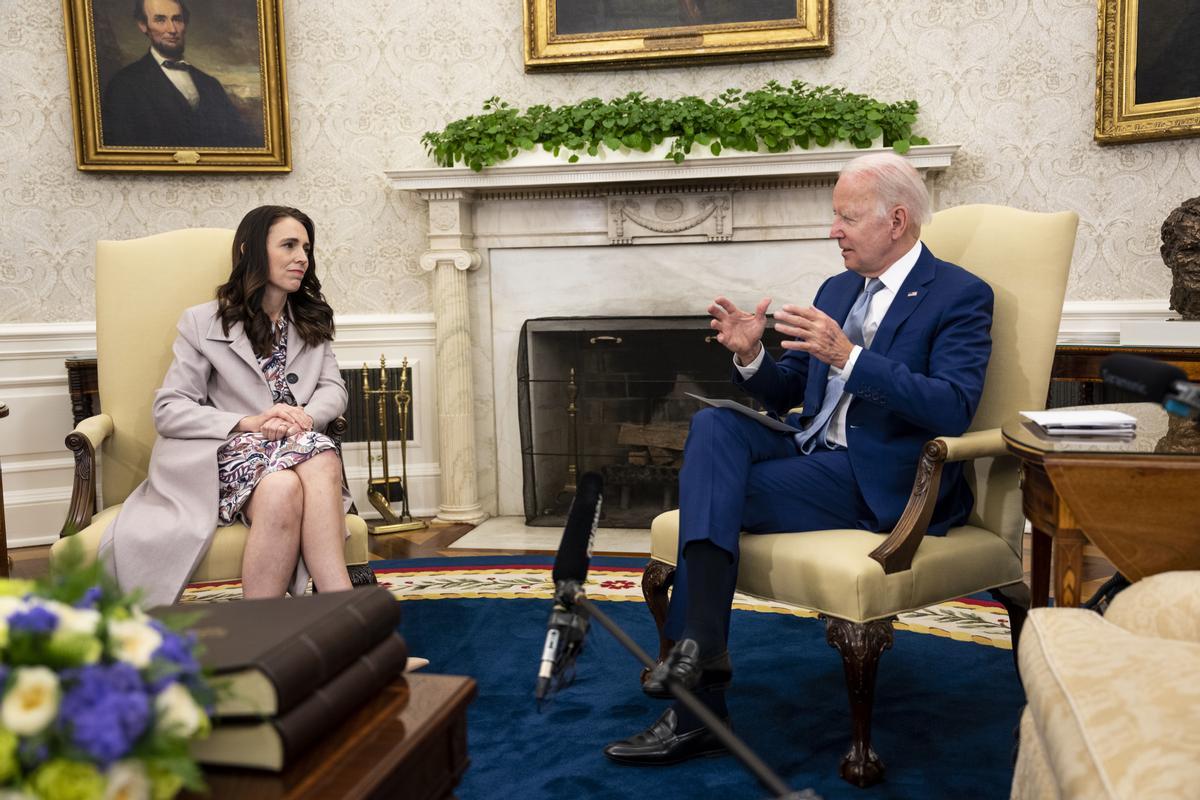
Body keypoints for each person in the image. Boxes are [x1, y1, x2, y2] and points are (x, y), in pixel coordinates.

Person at [603, 152, 995, 765]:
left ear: (896, 220)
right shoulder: (837, 289)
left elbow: (953, 406)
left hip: (880, 477)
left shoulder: (960, 295)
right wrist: (752, 357)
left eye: (846, 217)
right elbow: (792, 390)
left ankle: (696, 696)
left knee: (710, 494)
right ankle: (702, 652)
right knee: (712, 426)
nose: (832, 230)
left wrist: (851, 359)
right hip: (810, 447)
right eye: (833, 216)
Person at [98, 206, 354, 606]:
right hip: (224, 455)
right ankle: (348, 618)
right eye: (288, 245)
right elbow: (169, 408)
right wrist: (249, 422)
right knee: (321, 453)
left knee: (285, 485)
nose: (302, 257)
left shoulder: (311, 319)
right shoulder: (202, 322)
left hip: (292, 450)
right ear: (250, 251)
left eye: (306, 246)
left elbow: (333, 390)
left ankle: (260, 635)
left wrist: (304, 415)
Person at [102, 0, 260, 148]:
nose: (172, 29)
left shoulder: (210, 84)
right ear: (143, 25)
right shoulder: (123, 85)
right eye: (160, 20)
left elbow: (240, 140)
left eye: (177, 19)